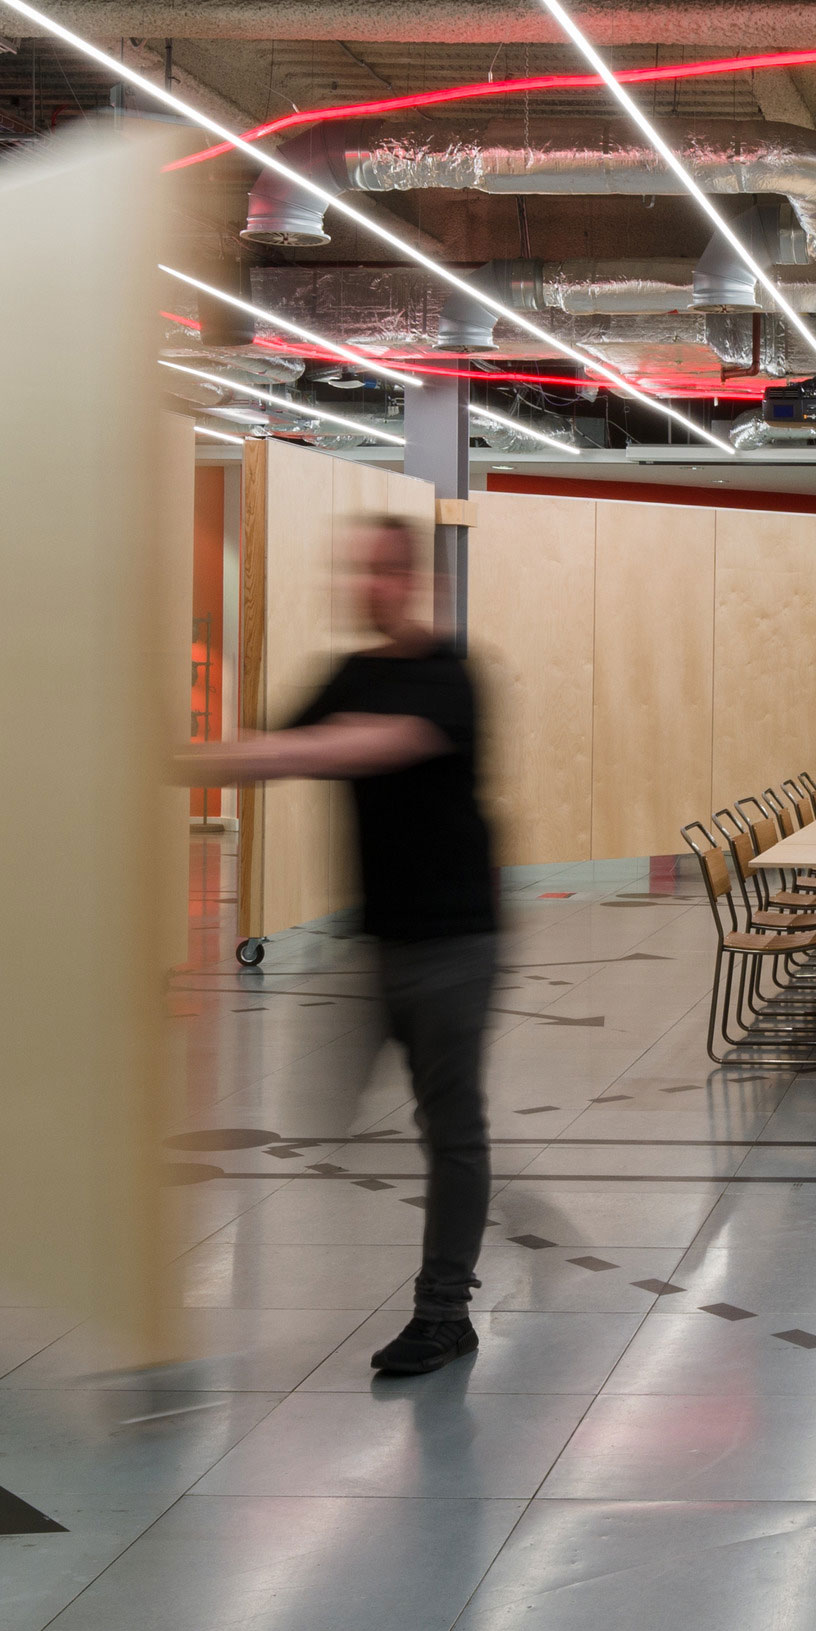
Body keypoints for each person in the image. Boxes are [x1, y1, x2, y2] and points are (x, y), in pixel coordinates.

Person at [176, 516, 494, 1380]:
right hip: (381, 940)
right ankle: (470, 1209)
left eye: (387, 571)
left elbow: (363, 746)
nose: (372, 587)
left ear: (416, 578)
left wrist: (247, 752)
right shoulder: (350, 673)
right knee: (331, 1115)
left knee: (450, 1127)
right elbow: (271, 751)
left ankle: (444, 1311)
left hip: (458, 938)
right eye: (361, 572)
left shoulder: (449, 677)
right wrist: (176, 758)